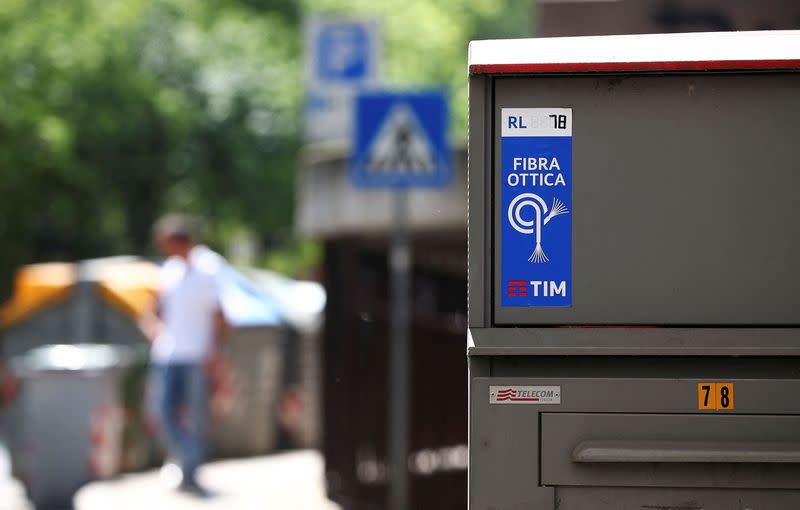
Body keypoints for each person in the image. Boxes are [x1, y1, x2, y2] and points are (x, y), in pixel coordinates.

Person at [139, 214, 229, 492]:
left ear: (180, 240)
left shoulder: (208, 267)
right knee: (160, 411)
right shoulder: (169, 269)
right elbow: (152, 309)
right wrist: (152, 327)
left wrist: (214, 353)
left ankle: (190, 473)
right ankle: (189, 457)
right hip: (167, 355)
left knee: (197, 417)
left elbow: (219, 316)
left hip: (197, 355)